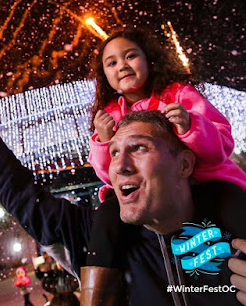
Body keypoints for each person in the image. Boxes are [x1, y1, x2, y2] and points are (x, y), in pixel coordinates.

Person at [0, 63, 246, 305]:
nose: (120, 165)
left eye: (139, 148)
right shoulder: (96, 240)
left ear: (184, 164)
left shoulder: (234, 229)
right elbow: (19, 193)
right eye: (113, 152)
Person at [89, 27, 246, 202]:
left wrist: (191, 126)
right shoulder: (108, 117)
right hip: (151, 197)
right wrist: (104, 142)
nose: (122, 66)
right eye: (112, 63)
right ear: (104, 75)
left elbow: (222, 146)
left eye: (131, 56)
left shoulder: (179, 94)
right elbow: (111, 177)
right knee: (108, 213)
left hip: (206, 185)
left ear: (149, 59)